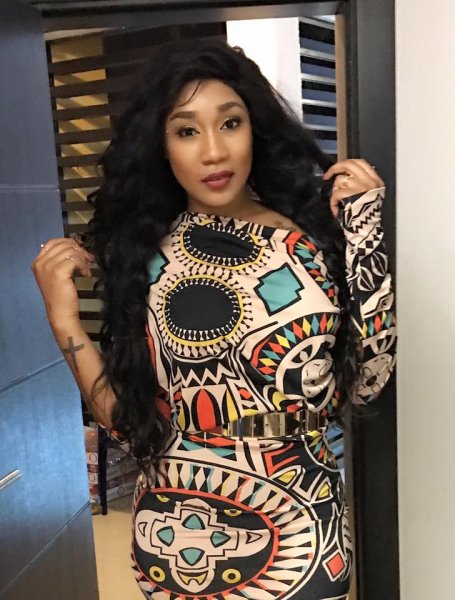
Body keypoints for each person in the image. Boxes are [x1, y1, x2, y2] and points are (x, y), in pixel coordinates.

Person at [32, 39, 396, 600]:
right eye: (186, 131)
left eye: (230, 123)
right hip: (175, 534)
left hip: (304, 529)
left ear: (256, 128)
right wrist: (65, 326)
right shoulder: (145, 257)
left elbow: (369, 380)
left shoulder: (314, 237)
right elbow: (129, 426)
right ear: (161, 146)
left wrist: (365, 234)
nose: (213, 152)